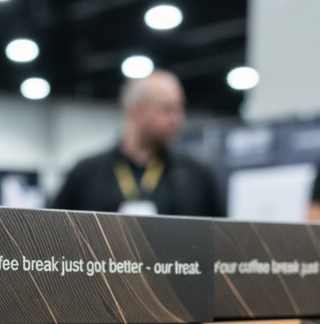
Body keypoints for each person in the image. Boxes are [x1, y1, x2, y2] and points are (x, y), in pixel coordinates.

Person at [51, 70, 223, 217]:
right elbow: (53, 232)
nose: (176, 120)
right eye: (167, 110)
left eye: (179, 109)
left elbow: (220, 239)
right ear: (135, 113)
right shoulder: (86, 174)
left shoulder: (198, 176)